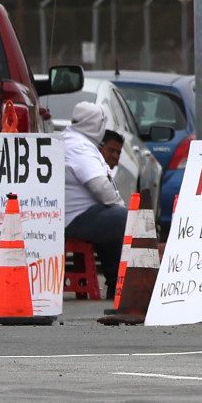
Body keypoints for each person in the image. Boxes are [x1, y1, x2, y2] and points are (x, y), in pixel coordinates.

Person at [59, 100, 126, 290]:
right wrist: (122, 209)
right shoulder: (79, 147)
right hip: (74, 218)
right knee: (120, 219)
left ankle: (116, 284)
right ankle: (119, 284)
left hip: (75, 215)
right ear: (96, 124)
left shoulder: (70, 139)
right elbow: (100, 187)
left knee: (111, 219)